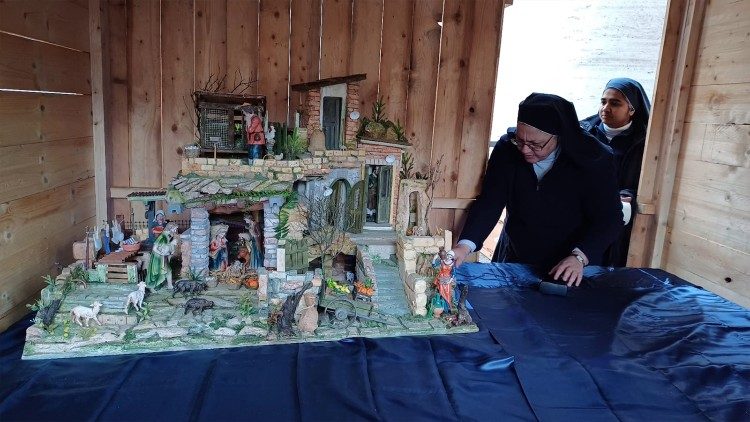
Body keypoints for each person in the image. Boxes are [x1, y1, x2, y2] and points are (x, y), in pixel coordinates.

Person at [452, 93, 622, 286]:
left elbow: (610, 220)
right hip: (518, 256)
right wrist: (464, 246)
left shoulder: (593, 159)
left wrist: (580, 256)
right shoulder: (507, 150)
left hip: (572, 264)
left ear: (560, 136)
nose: (524, 150)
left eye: (535, 144)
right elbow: (490, 203)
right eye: (520, 140)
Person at [580, 78, 651, 266]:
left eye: (615, 103)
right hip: (581, 212)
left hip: (618, 216)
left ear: (632, 109)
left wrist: (630, 194)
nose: (605, 108)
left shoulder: (645, 141)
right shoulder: (583, 132)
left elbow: (649, 182)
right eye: (603, 102)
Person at [147, 222, 179, 289]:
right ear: (170, 228)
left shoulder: (169, 235)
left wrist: (171, 245)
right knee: (160, 271)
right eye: (174, 229)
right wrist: (162, 253)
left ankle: (170, 285)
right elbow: (155, 248)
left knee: (168, 270)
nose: (175, 231)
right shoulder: (162, 236)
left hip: (164, 257)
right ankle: (154, 286)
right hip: (158, 258)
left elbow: (168, 247)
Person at [430, 248, 456, 315]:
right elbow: (434, 266)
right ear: (446, 255)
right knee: (441, 293)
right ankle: (440, 308)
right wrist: (434, 259)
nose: (449, 257)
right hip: (441, 279)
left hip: (447, 280)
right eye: (448, 255)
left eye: (450, 257)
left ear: (452, 257)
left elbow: (453, 274)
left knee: (447, 294)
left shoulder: (452, 264)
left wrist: (449, 281)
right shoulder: (442, 261)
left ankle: (446, 309)